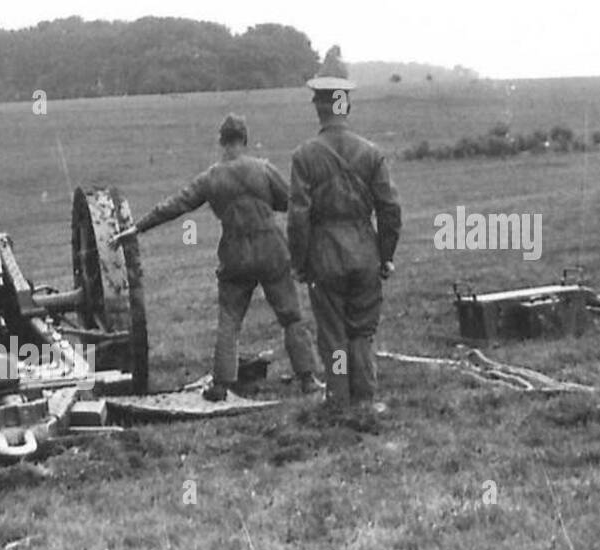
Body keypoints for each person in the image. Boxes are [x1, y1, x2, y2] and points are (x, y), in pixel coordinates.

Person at [112, 114, 321, 401]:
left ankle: (221, 385)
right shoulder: (263, 168)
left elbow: (176, 204)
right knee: (290, 317)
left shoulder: (210, 178)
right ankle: (308, 379)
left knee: (230, 320)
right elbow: (290, 202)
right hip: (272, 249)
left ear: (221, 142)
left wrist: (137, 228)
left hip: (235, 254)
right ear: (244, 139)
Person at [288, 48, 402, 422]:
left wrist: (301, 263)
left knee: (333, 333)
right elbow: (390, 209)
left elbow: (298, 217)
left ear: (319, 106)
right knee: (362, 330)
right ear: (345, 105)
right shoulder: (371, 153)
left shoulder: (305, 156)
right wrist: (385, 255)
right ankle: (365, 399)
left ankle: (337, 399)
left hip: (324, 256)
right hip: (365, 252)